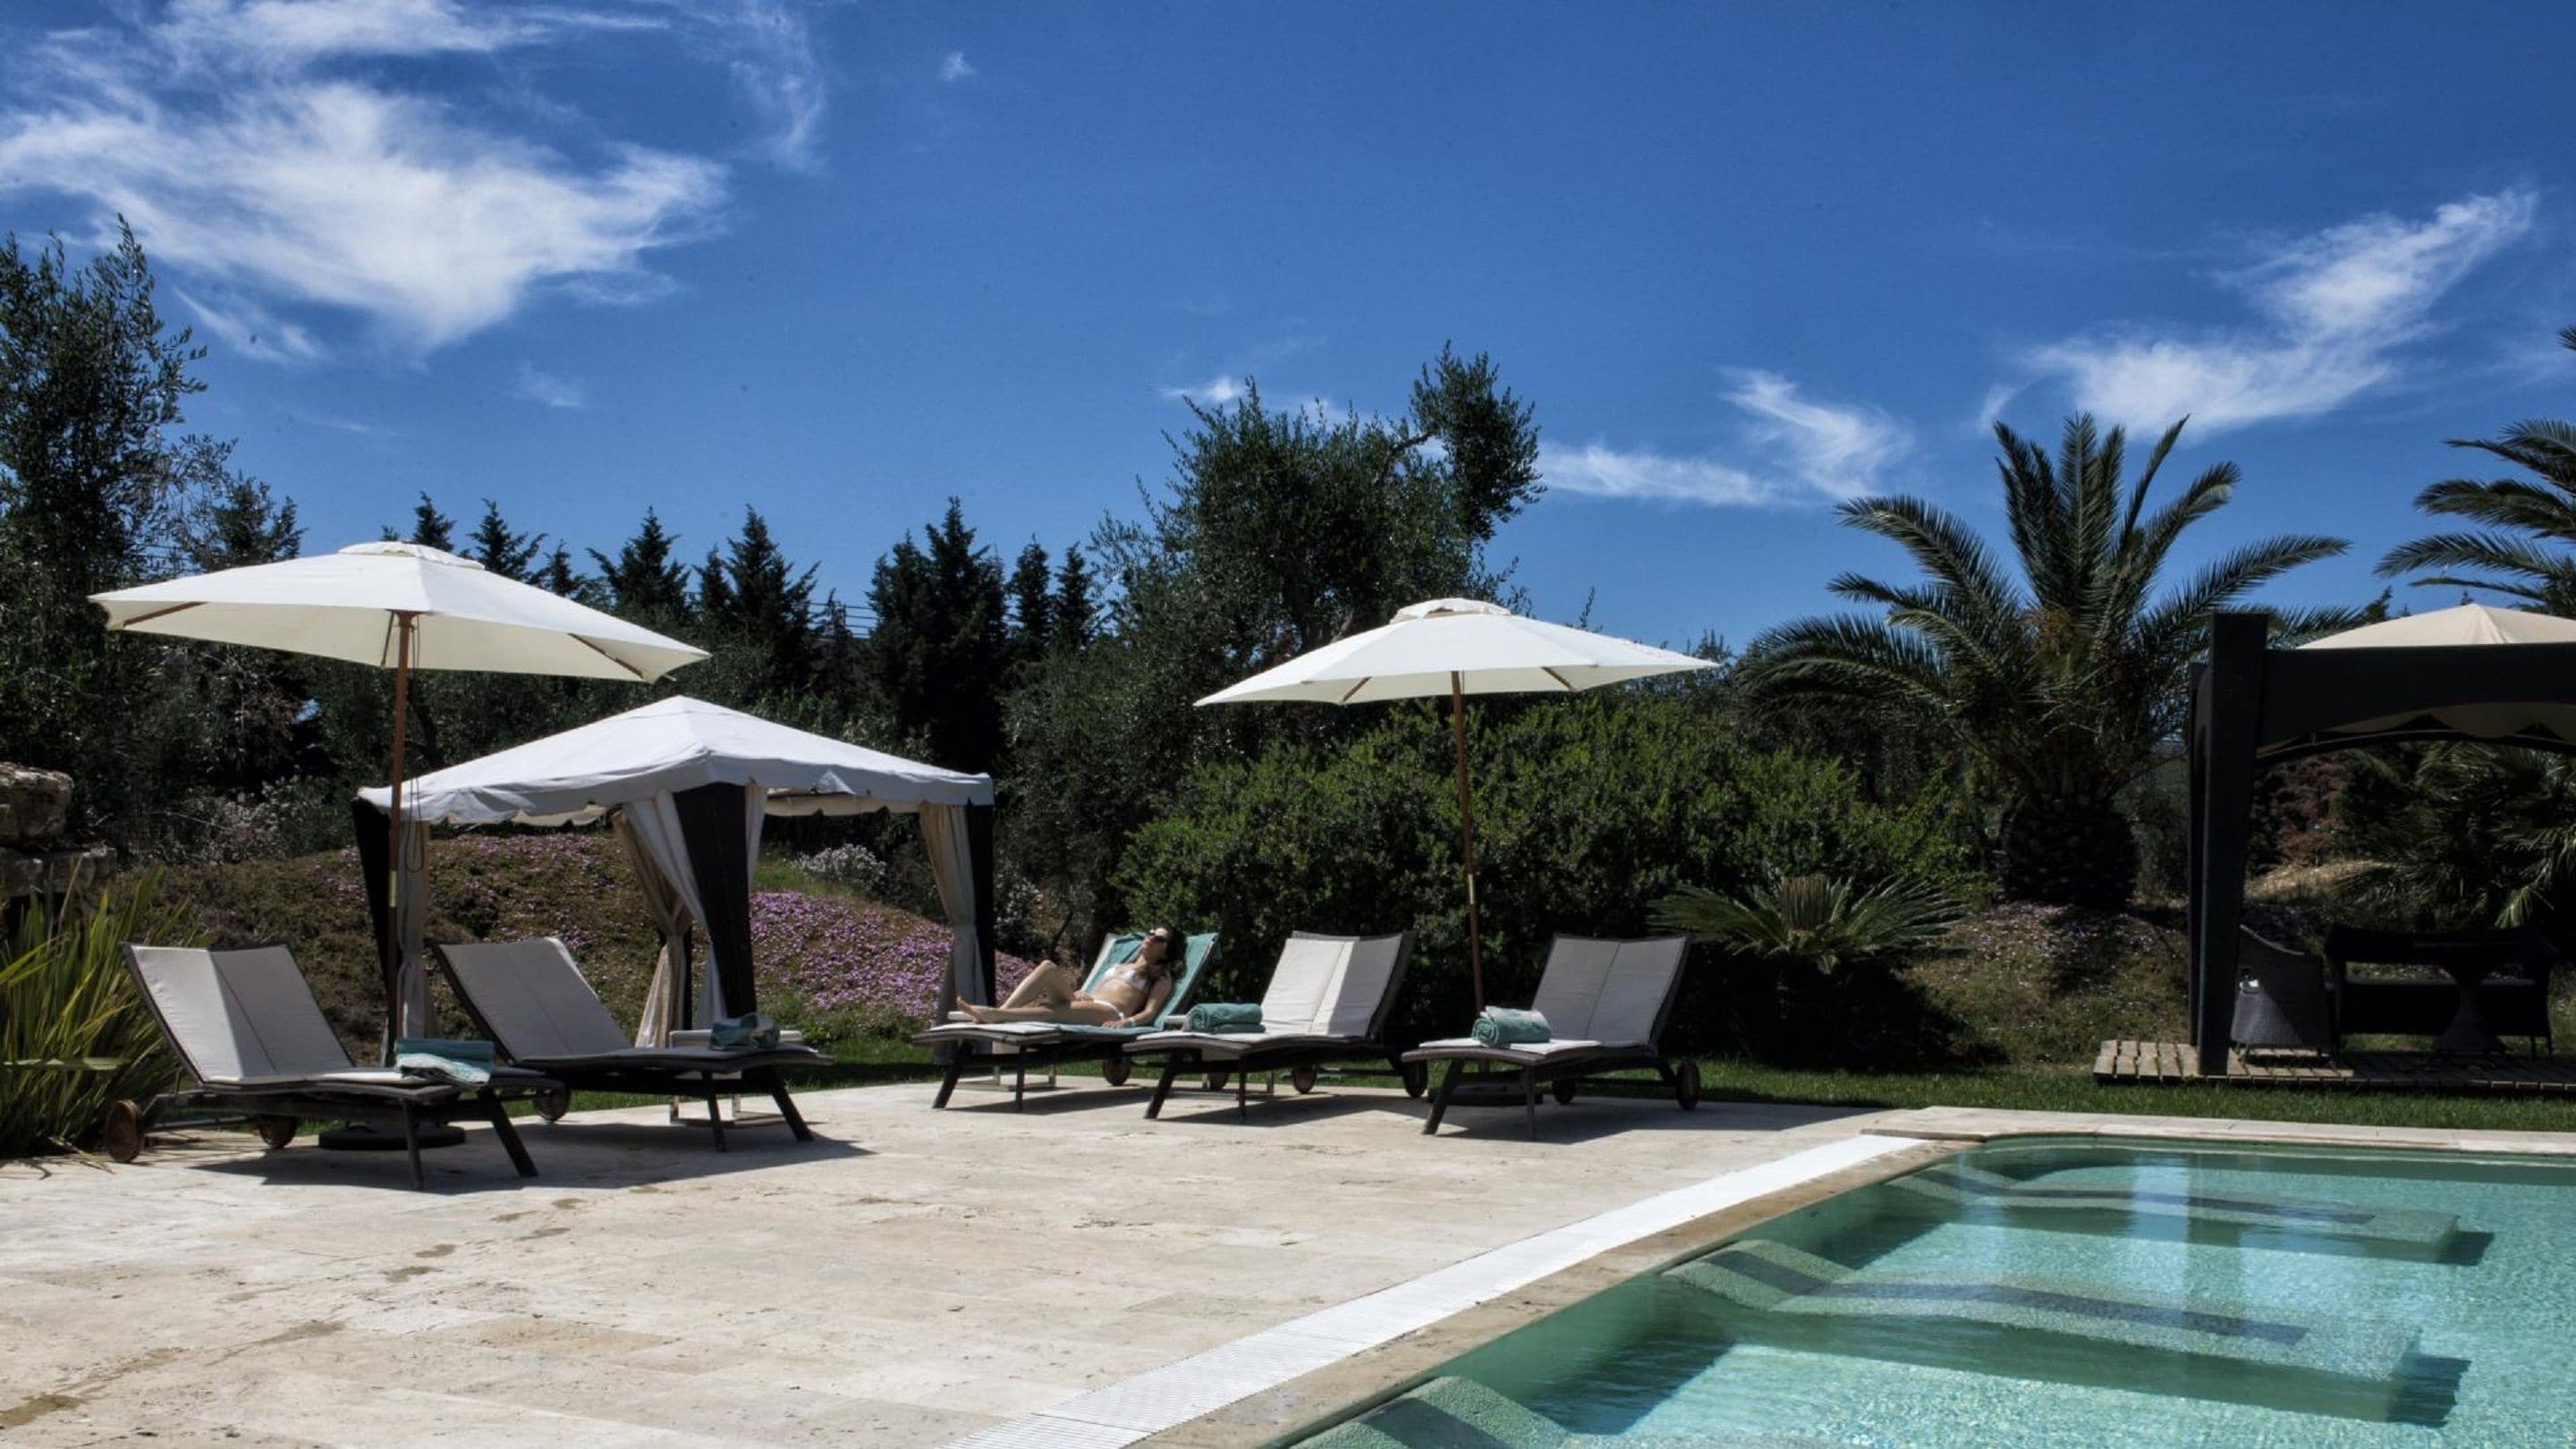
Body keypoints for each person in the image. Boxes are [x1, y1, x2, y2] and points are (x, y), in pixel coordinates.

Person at [955, 925, 1183, 1027]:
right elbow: (1098, 989)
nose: (1151, 938)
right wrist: (1080, 993)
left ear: (1167, 949)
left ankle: (994, 1015)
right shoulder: (1120, 963)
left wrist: (1126, 1023)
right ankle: (1001, 1012)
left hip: (1109, 1011)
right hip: (1087, 1002)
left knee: (1052, 1011)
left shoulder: (1160, 976)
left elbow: (1150, 1012)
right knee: (1047, 967)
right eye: (1151, 933)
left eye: (1159, 939)